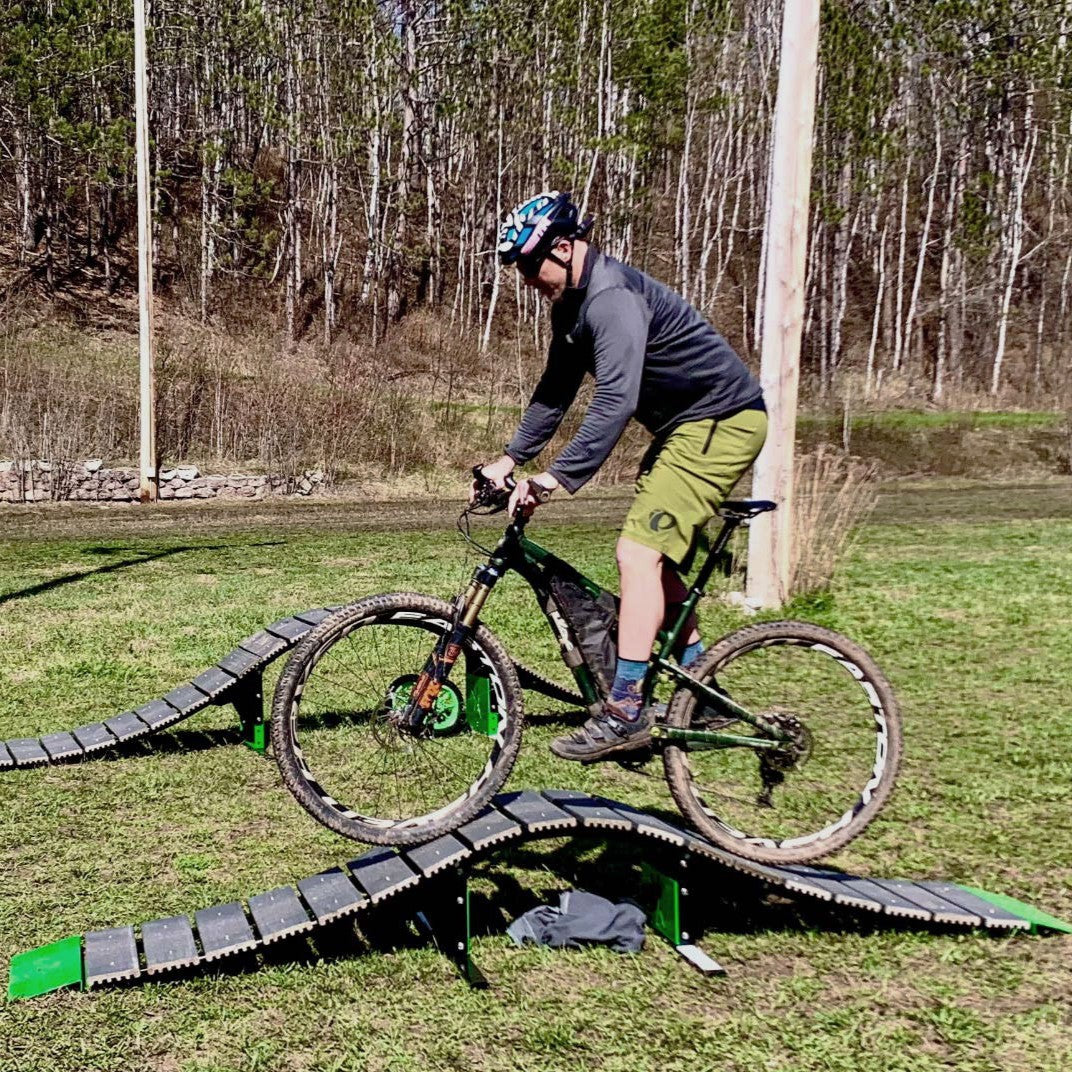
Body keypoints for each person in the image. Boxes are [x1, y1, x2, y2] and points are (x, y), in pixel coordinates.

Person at [474, 190, 767, 762]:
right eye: (520, 270)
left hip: (720, 422)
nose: (528, 279)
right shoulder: (572, 306)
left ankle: (626, 708)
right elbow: (556, 392)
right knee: (655, 566)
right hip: (686, 428)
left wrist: (555, 478)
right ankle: (702, 688)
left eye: (533, 265)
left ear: (564, 246)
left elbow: (614, 398)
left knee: (637, 554)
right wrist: (511, 459)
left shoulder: (609, 298)